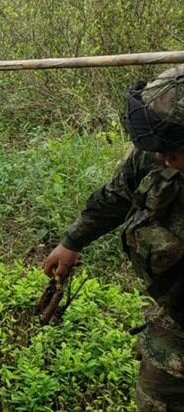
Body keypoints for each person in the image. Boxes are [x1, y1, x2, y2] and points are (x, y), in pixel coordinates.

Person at [43, 64, 184, 411]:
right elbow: (117, 195)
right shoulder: (157, 152)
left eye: (173, 147)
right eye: (158, 144)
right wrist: (72, 242)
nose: (162, 155)